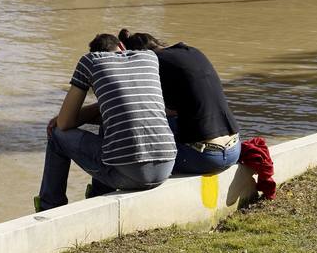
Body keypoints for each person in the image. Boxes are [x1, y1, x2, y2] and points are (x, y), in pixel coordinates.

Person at [37, 33, 176, 210]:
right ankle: (97, 194)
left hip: (131, 176)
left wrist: (69, 116)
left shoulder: (90, 61)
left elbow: (64, 123)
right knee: (109, 122)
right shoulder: (149, 58)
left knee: (57, 135)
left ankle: (49, 206)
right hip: (166, 167)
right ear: (122, 47)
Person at [118, 29, 241, 176]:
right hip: (234, 150)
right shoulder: (192, 52)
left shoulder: (152, 63)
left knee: (124, 128)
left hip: (205, 158)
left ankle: (101, 190)